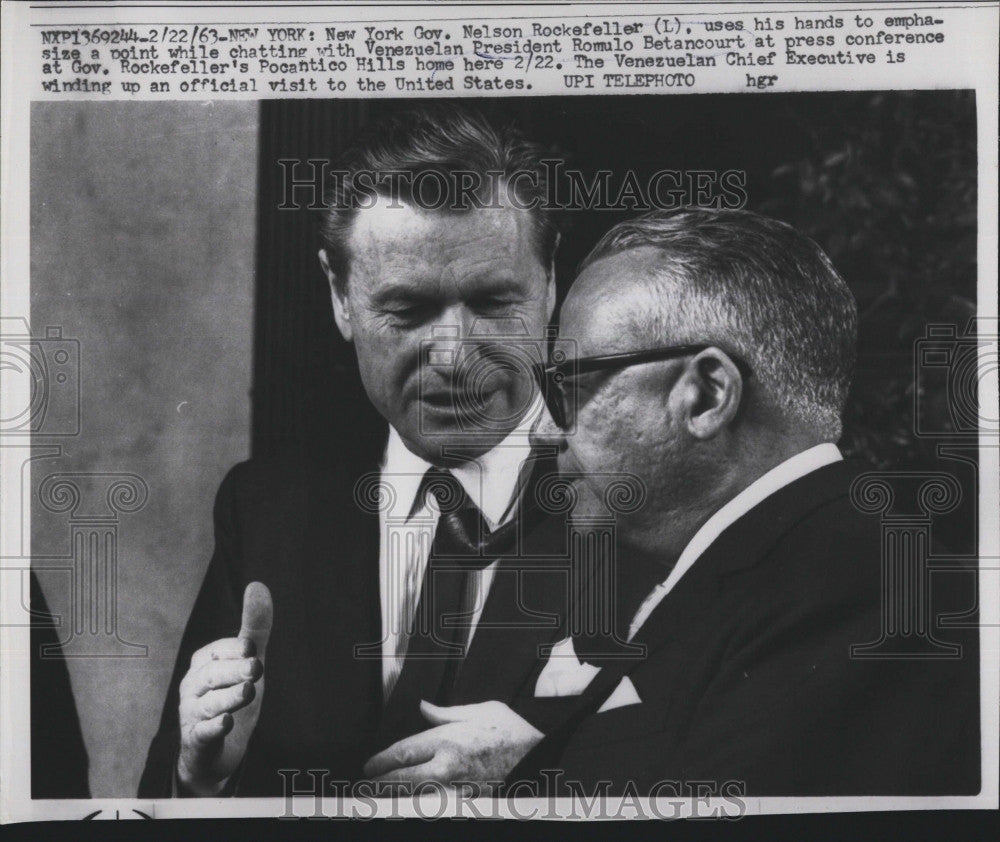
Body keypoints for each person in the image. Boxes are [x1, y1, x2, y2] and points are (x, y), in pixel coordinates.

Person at [366, 208, 980, 796]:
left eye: (570, 386)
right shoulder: (804, 567)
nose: (547, 432)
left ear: (708, 395)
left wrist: (530, 776)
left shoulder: (864, 589)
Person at [138, 106, 572, 797]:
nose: (455, 355)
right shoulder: (266, 510)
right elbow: (159, 807)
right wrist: (199, 776)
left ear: (550, 285)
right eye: (408, 311)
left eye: (493, 302)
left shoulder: (647, 502)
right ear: (341, 296)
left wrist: (556, 782)